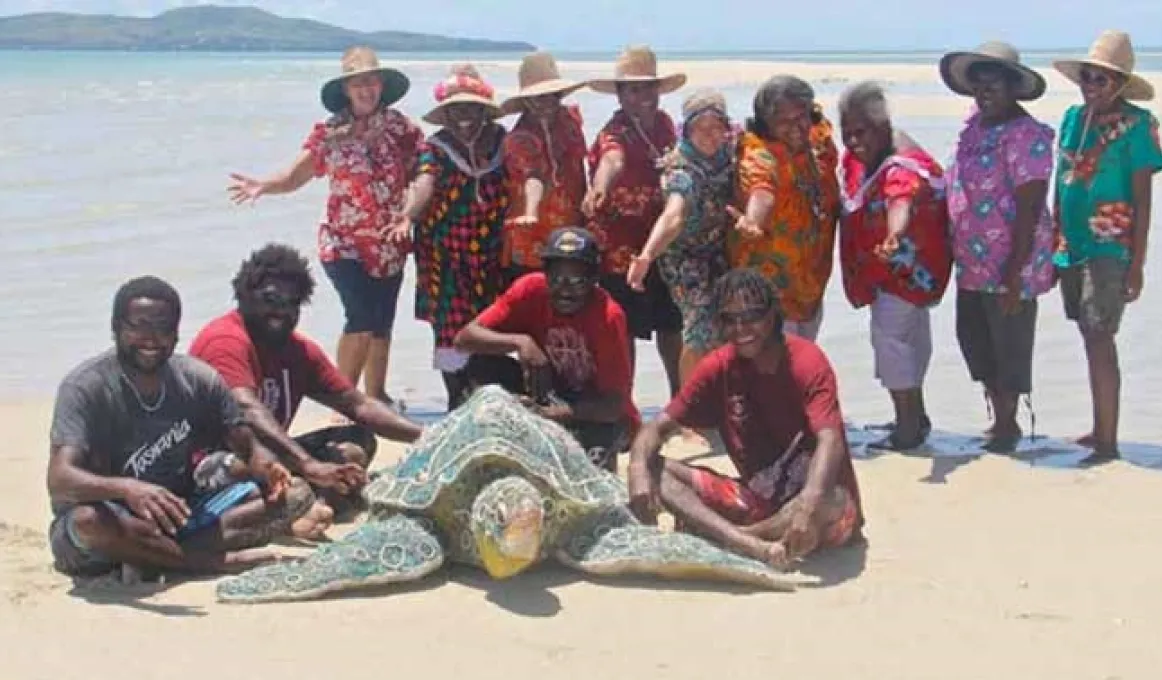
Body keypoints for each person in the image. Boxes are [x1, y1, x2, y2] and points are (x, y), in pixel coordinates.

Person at [47, 276, 314, 579]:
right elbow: (60, 478)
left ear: (176, 333)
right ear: (116, 328)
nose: (151, 338)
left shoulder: (198, 379)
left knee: (295, 494)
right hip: (111, 522)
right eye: (139, 325)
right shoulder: (85, 388)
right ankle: (205, 561)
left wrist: (267, 467)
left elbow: (247, 445)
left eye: (163, 327)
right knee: (88, 521)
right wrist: (129, 489)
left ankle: (155, 556)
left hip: (179, 514)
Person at [626, 269, 863, 569]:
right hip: (758, 503)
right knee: (655, 469)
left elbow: (830, 440)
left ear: (773, 316)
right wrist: (636, 471)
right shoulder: (719, 367)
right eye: (729, 319)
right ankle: (751, 546)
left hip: (820, 512)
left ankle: (731, 539)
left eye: (752, 317)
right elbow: (656, 428)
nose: (741, 329)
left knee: (832, 499)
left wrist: (809, 501)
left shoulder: (806, 361)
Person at [227, 46, 420, 410]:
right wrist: (263, 185)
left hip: (390, 242)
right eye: (357, 84)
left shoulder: (402, 129)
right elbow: (296, 175)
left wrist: (410, 213)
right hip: (342, 243)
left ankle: (376, 395)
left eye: (371, 82)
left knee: (381, 322)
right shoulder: (329, 134)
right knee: (360, 316)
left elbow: (421, 174)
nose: (366, 90)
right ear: (346, 90)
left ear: (381, 85)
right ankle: (345, 399)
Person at [188, 244, 425, 524]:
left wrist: (430, 435)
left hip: (278, 457)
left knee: (355, 444)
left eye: (292, 303)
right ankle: (303, 506)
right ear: (245, 295)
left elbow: (358, 405)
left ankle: (308, 505)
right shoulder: (225, 340)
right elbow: (246, 409)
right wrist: (309, 464)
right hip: (218, 463)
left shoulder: (298, 350)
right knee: (252, 469)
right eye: (272, 299)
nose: (281, 311)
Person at [1050, 31, 1162, 464]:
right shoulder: (1073, 119)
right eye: (1087, 78)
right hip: (1072, 243)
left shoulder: (1138, 126)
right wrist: (1053, 234)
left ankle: (1108, 442)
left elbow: (1142, 199)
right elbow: (1061, 182)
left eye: (1101, 80)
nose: (1091, 87)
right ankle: (1099, 427)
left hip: (1110, 245)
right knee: (1086, 332)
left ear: (1119, 84)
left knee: (1101, 334)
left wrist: (1137, 264)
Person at [941, 42, 1057, 452]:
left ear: (1013, 88)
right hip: (971, 262)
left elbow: (1029, 205)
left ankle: (1008, 425)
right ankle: (996, 417)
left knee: (1009, 342)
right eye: (979, 86)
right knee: (974, 338)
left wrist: (1014, 271)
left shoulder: (1028, 136)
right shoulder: (975, 126)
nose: (984, 94)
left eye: (993, 86)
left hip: (1011, 263)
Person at [453, 227, 640, 472]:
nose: (565, 290)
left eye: (576, 281)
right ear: (545, 275)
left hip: (595, 411)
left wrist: (556, 414)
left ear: (594, 280)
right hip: (549, 391)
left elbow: (613, 405)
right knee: (482, 365)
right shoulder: (529, 290)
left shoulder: (608, 317)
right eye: (557, 279)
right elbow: (464, 338)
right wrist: (520, 342)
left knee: (592, 468)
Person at [837, 81, 952, 450]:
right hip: (903, 277)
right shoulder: (864, 156)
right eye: (848, 133)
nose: (854, 141)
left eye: (862, 132)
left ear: (883, 129)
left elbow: (899, 200)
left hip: (901, 276)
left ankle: (906, 430)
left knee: (891, 343)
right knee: (911, 341)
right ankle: (915, 417)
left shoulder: (900, 165)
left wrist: (893, 235)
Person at [388, 64, 510, 410]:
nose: (464, 116)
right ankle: (458, 402)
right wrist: (406, 218)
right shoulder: (435, 149)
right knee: (451, 326)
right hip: (446, 253)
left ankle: (491, 396)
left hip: (492, 251)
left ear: (484, 110)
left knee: (492, 323)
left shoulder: (502, 139)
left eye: (471, 108)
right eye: (456, 109)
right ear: (446, 114)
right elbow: (424, 184)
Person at [628, 89, 760, 385]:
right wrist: (648, 255)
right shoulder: (681, 170)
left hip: (719, 251)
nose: (709, 135)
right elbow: (673, 216)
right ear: (687, 130)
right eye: (701, 128)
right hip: (684, 258)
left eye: (717, 127)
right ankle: (690, 412)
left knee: (730, 322)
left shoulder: (730, 153)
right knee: (699, 325)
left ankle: (722, 395)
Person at [583, 45, 686, 397]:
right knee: (621, 330)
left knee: (673, 327)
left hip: (661, 241)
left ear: (658, 90)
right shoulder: (612, 132)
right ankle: (622, 407)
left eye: (647, 88)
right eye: (632, 89)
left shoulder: (665, 125)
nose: (640, 96)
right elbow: (612, 160)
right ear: (621, 95)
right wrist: (599, 187)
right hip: (620, 247)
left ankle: (681, 401)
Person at [734, 75, 841, 341]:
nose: (796, 127)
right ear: (766, 123)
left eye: (801, 117)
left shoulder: (816, 138)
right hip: (770, 296)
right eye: (783, 121)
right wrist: (753, 221)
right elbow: (762, 192)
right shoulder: (759, 156)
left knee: (802, 368)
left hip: (810, 285)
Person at [499, 51, 589, 283]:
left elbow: (579, 166)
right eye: (539, 97)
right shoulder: (519, 138)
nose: (547, 103)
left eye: (552, 96)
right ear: (527, 100)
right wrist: (531, 211)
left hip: (572, 225)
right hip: (533, 232)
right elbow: (533, 176)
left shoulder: (570, 120)